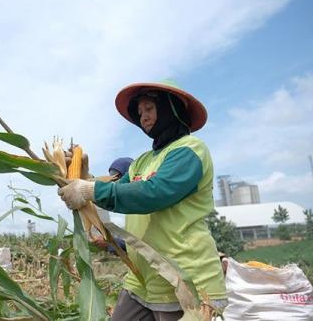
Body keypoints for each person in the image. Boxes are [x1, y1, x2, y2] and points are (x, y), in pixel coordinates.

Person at [58, 81, 226, 320]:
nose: (143, 117)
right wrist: (82, 176)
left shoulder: (190, 150)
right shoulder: (142, 162)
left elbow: (153, 194)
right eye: (140, 113)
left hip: (185, 279)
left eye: (149, 108)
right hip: (143, 280)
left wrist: (88, 190)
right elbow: (117, 191)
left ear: (170, 108)